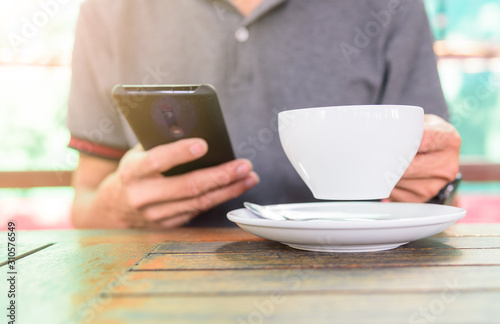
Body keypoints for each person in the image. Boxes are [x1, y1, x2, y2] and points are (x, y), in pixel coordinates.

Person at [66, 0, 461, 229]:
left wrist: (436, 188)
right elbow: (85, 203)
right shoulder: (110, 9)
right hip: (158, 294)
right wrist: (115, 208)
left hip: (353, 289)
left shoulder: (391, 7)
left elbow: (439, 186)